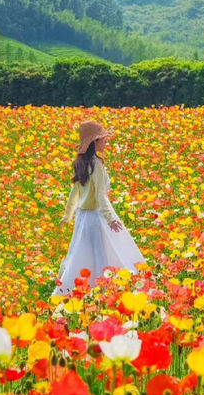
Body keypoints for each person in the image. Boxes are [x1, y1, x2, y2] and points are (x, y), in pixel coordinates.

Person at [51, 119, 145, 296]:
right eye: (102, 139)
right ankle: (102, 291)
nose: (105, 142)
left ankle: (76, 290)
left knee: (81, 254)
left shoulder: (81, 163)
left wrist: (68, 215)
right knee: (101, 255)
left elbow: (74, 193)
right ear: (94, 143)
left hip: (82, 218)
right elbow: (101, 196)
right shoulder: (97, 165)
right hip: (96, 217)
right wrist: (110, 219)